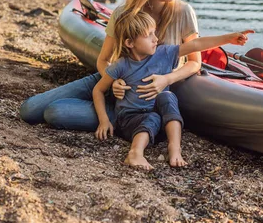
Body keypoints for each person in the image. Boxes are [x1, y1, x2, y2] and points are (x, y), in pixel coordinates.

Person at [19, 0, 203, 132]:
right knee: (29, 110)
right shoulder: (123, 13)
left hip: (139, 102)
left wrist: (166, 79)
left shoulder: (183, 12)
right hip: (112, 79)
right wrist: (113, 82)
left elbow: (195, 63)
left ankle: (115, 117)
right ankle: (97, 104)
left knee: (55, 113)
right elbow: (104, 59)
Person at [94, 11, 253, 170]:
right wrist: (104, 120)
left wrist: (228, 38)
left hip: (159, 122)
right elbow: (98, 91)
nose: (155, 38)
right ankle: (135, 153)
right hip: (129, 121)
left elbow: (196, 44)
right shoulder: (121, 65)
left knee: (168, 96)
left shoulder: (164, 53)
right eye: (149, 35)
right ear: (130, 43)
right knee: (152, 118)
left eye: (154, 33)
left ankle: (175, 149)